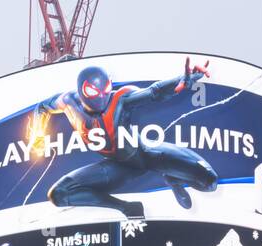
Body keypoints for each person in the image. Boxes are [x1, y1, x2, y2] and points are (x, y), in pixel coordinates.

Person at [28, 58, 216, 218]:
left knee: (210, 183)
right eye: (94, 92)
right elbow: (42, 108)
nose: (101, 97)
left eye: (105, 89)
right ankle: (126, 208)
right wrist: (37, 135)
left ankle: (173, 179)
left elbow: (154, 92)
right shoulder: (68, 102)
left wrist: (182, 81)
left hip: (147, 154)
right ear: (82, 90)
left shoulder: (120, 99)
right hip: (119, 165)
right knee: (58, 194)